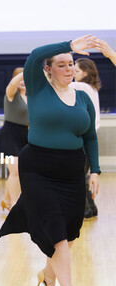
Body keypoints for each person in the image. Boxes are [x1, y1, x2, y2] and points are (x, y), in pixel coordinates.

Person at [0, 35, 100, 286]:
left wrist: (96, 171)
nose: (68, 68)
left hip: (72, 170)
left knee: (71, 232)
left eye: (71, 64)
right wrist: (68, 45)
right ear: (49, 70)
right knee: (56, 232)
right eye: (62, 64)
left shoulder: (82, 97)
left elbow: (90, 137)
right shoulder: (39, 88)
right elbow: (34, 55)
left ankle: (47, 274)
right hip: (39, 168)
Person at [70, 58, 101, 218]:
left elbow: (58, 83)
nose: (71, 73)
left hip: (85, 138)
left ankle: (85, 209)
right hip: (90, 136)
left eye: (75, 70)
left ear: (86, 73)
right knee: (82, 173)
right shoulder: (91, 88)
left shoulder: (81, 87)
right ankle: (91, 207)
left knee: (79, 175)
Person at [0, 68, 28, 211]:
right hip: (9, 135)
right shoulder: (11, 94)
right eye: (19, 79)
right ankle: (15, 206)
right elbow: (12, 84)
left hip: (26, 136)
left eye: (25, 79)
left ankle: (6, 200)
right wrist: (27, 71)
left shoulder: (32, 97)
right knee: (15, 171)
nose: (22, 82)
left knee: (19, 172)